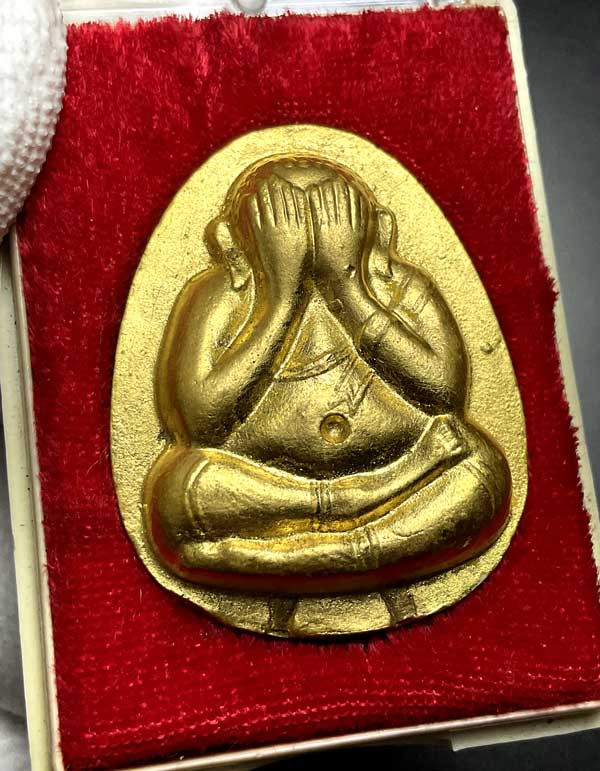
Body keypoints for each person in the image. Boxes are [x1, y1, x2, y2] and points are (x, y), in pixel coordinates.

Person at [144, 159, 511, 594]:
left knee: (480, 467)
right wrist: (281, 297)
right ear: (233, 242)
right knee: (178, 495)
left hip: (409, 467)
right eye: (285, 219)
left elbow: (443, 394)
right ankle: (351, 519)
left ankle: (298, 557)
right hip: (273, 490)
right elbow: (200, 422)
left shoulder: (403, 288)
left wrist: (348, 288)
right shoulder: (220, 297)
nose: (311, 237)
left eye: (331, 214)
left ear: (379, 230)